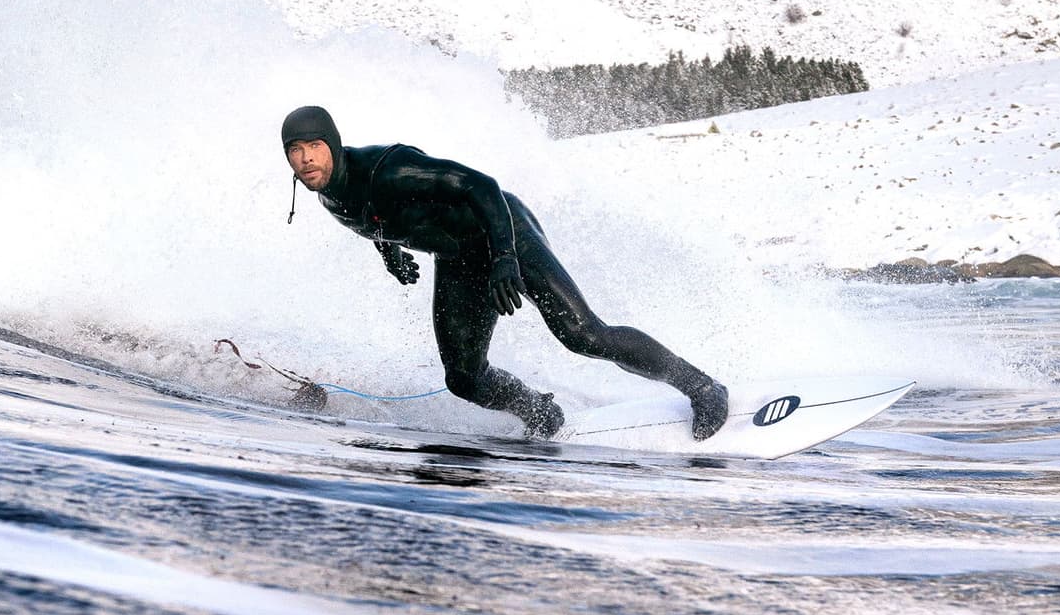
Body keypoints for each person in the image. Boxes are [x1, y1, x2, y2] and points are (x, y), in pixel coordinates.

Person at [280, 105, 729, 440]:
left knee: (581, 334)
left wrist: (504, 257)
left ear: (333, 143)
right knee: (463, 377)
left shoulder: (390, 167)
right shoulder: (329, 195)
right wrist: (389, 251)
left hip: (504, 231)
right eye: (295, 151)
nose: (306, 159)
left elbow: (481, 185)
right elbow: (377, 217)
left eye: (314, 146)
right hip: (458, 259)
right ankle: (540, 412)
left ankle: (703, 387)